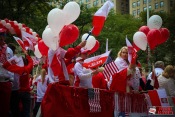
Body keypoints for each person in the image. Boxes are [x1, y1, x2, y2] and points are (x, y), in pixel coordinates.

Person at [3, 50, 33, 117]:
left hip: (18, 92)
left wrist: (14, 57)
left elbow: (5, 66)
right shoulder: (27, 69)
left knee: (16, 110)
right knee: (26, 111)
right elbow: (31, 62)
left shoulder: (16, 69)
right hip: (27, 92)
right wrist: (27, 55)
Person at [0, 28, 14, 117]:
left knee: (5, 107)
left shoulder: (9, 50)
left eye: (3, 36)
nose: (1, 39)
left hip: (6, 81)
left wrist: (12, 80)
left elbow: (12, 65)